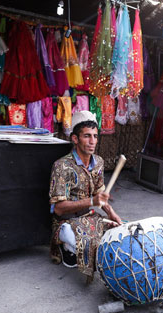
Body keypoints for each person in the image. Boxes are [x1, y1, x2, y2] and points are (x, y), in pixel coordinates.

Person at [49, 110, 122, 278]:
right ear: (75, 139)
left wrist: (112, 214)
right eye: (87, 136)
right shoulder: (61, 166)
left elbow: (100, 196)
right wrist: (92, 201)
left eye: (95, 136)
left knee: (118, 234)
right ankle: (66, 248)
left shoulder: (99, 163)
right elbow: (59, 209)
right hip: (66, 221)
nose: (92, 142)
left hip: (90, 217)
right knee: (86, 244)